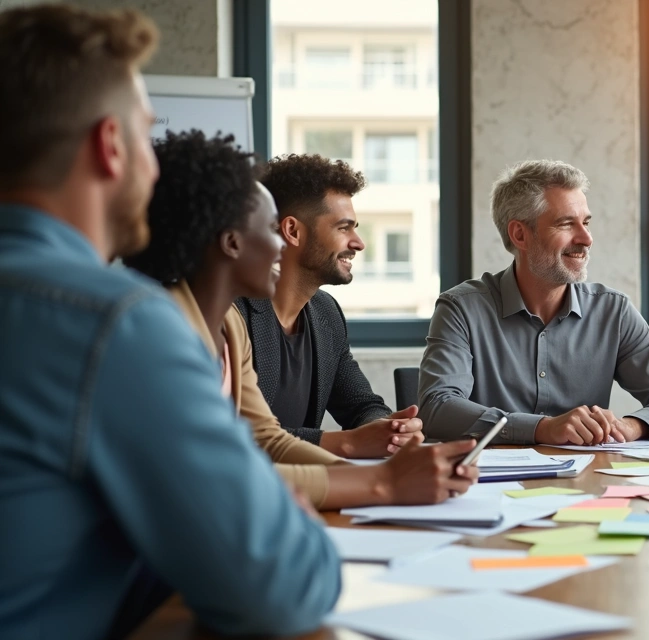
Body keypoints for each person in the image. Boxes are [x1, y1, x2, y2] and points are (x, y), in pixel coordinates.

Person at [0, 6, 339, 638]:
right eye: (146, 135)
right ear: (110, 146)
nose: (155, 171)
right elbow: (281, 587)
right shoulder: (116, 323)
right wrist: (283, 524)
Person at [125, 130, 479, 508]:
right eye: (268, 230)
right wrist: (381, 481)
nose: (279, 246)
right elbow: (224, 466)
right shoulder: (165, 328)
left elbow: (266, 439)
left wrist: (384, 470)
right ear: (232, 242)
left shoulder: (229, 326)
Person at [418, 159, 649, 445]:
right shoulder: (461, 309)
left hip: (586, 482)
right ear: (520, 234)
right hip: (489, 483)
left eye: (586, 223)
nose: (586, 238)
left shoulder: (612, 311)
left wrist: (632, 426)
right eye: (567, 224)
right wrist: (542, 428)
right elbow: (437, 409)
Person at [236, 153, 413, 459]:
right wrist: (348, 443)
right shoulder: (233, 312)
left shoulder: (325, 312)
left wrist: (388, 430)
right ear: (292, 231)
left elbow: (363, 405)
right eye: (344, 228)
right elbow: (241, 430)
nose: (359, 243)